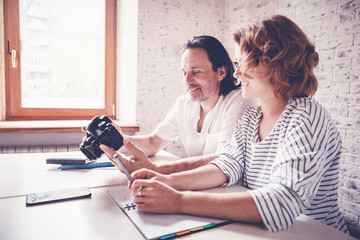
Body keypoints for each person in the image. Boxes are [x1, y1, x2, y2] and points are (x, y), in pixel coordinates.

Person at [106, 15, 348, 233]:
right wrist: (167, 181)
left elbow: (281, 202)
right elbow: (224, 166)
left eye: (242, 63)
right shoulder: (253, 118)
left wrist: (178, 200)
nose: (236, 73)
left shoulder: (306, 116)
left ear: (273, 65)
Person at [99, 35, 256, 173]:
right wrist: (113, 139)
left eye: (196, 72)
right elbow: (153, 143)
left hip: (229, 192)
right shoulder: (183, 104)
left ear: (221, 73)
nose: (187, 81)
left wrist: (157, 170)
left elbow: (222, 160)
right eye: (184, 73)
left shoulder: (239, 100)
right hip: (197, 187)